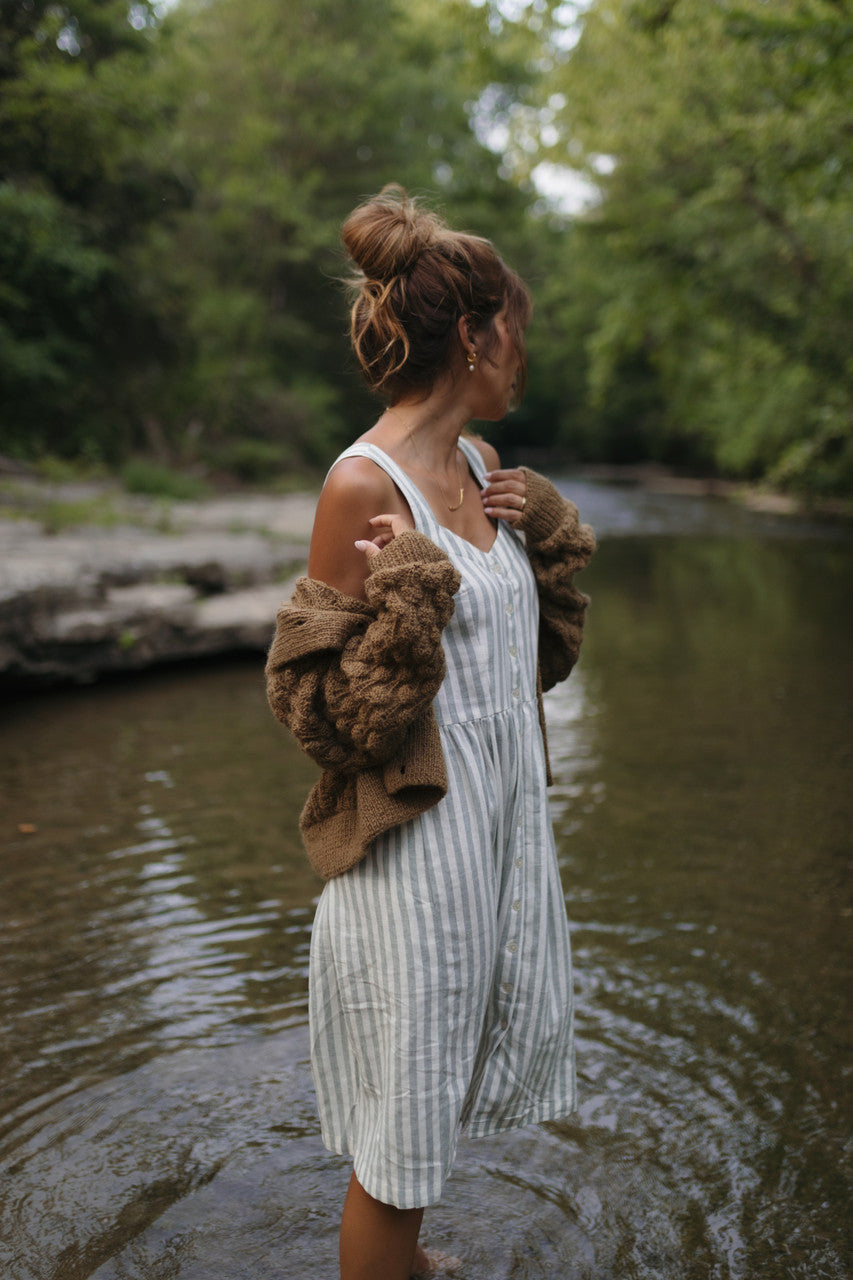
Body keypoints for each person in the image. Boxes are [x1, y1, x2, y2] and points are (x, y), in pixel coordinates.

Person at [265, 185, 595, 1280]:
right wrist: (410, 581)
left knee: (428, 1123)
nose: (523, 356)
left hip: (494, 843)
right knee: (397, 1155)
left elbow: (529, 666)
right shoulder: (363, 482)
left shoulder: (477, 466)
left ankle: (403, 1265)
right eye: (518, 334)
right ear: (474, 333)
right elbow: (326, 717)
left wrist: (544, 538)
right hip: (413, 862)